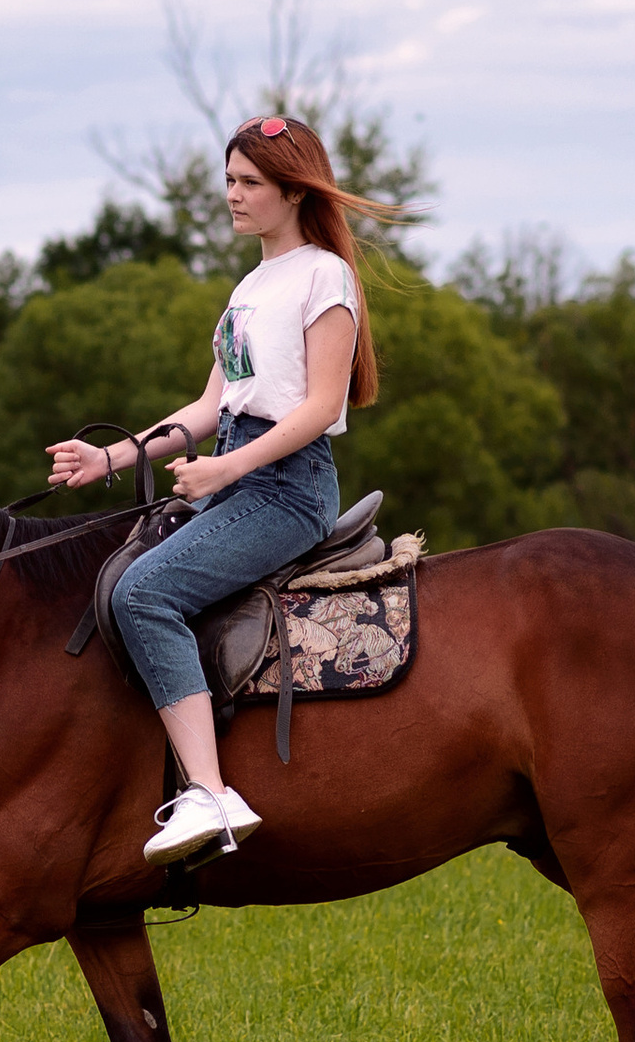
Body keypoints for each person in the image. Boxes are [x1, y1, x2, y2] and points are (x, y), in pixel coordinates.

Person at [45, 115, 399, 865]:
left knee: (144, 594)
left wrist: (227, 469)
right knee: (114, 570)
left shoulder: (323, 277)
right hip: (239, 477)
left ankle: (211, 795)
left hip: (287, 489)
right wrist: (106, 460)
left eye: (249, 183)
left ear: (293, 192)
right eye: (230, 180)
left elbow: (318, 408)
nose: (232, 195)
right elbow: (208, 412)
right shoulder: (249, 285)